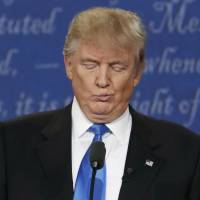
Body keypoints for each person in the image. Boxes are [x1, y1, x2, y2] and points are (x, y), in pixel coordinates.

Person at [0, 7, 200, 200]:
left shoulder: (186, 153)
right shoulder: (10, 145)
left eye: (117, 66)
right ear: (69, 66)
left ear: (137, 72)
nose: (103, 80)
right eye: (90, 65)